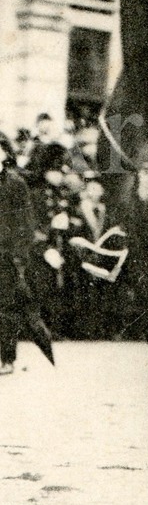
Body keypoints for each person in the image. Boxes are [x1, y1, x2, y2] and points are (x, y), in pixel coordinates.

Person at [0, 133, 36, 373]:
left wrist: (20, 255)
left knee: (5, 308)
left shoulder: (15, 184)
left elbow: (26, 222)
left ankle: (7, 357)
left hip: (5, 254)